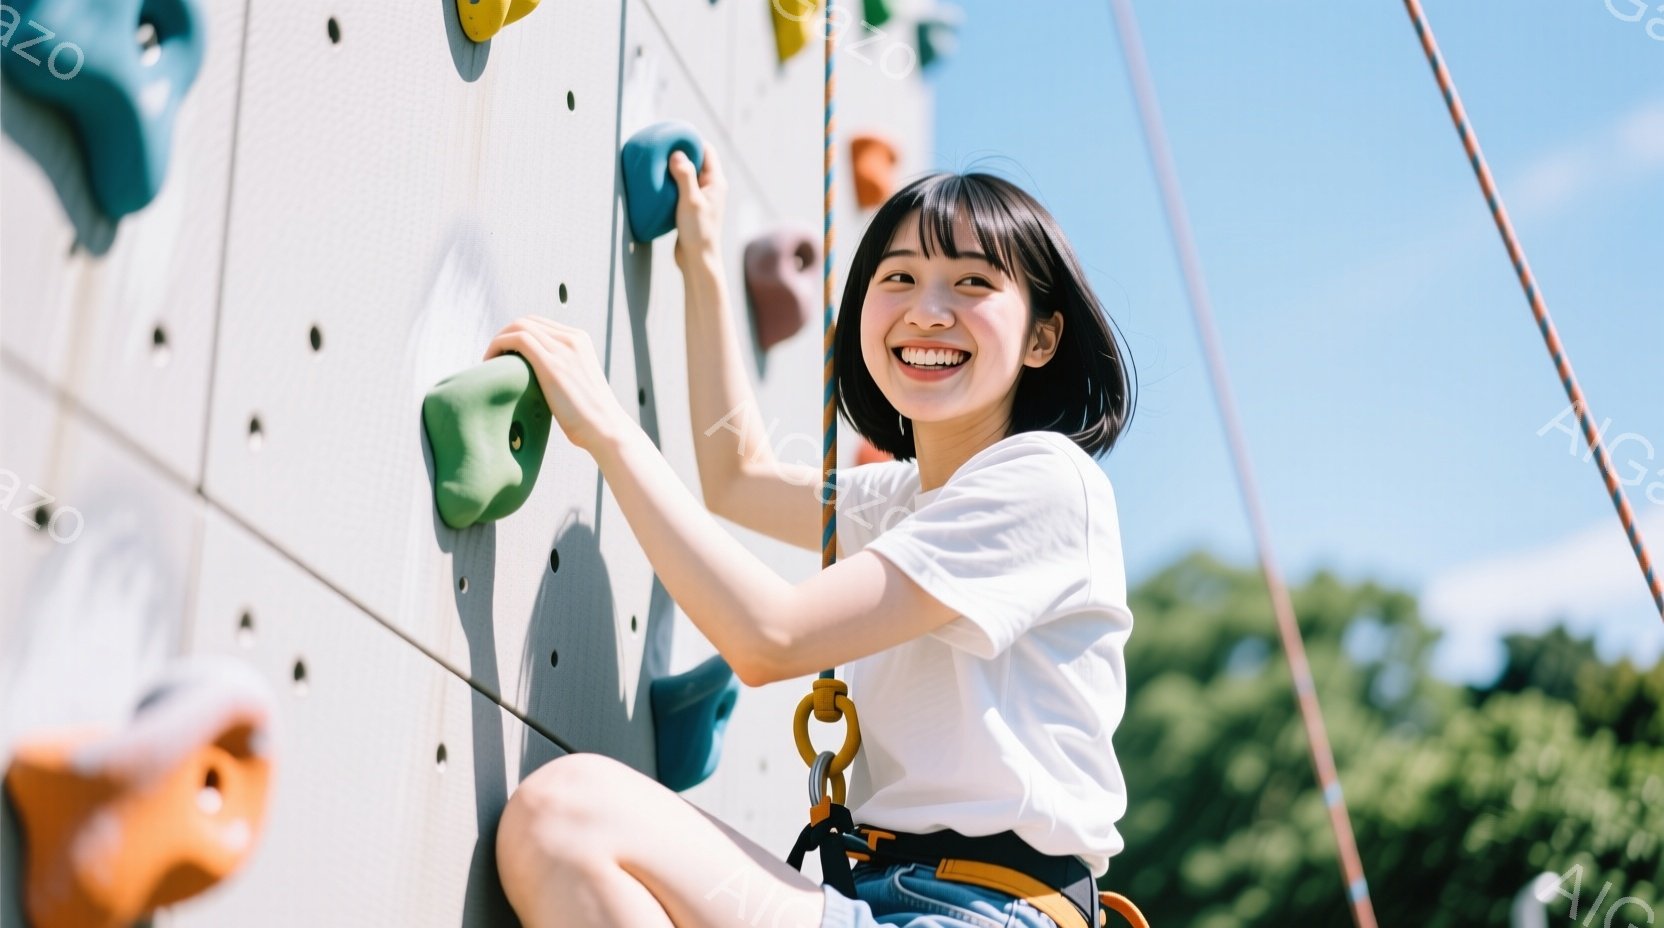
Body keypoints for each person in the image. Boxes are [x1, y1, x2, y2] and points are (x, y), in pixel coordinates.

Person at [488, 142, 1137, 928]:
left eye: (973, 283)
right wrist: (700, 258)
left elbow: (770, 637)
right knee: (564, 824)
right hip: (885, 899)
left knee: (569, 813)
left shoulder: (1045, 480)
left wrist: (607, 427)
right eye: (898, 278)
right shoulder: (907, 498)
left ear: (1042, 339)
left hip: (984, 912)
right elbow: (738, 474)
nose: (928, 310)